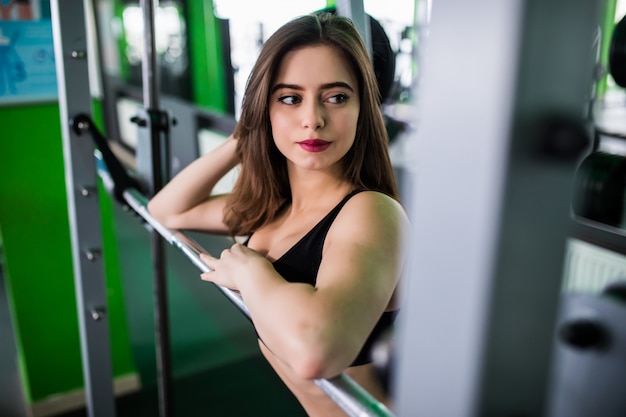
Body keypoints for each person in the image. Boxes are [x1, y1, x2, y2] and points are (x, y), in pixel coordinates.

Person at [148, 11, 408, 416]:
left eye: (336, 97)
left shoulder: (371, 212)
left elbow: (315, 353)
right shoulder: (270, 208)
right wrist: (246, 132)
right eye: (290, 98)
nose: (312, 120)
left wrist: (250, 271)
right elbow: (166, 210)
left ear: (363, 108)